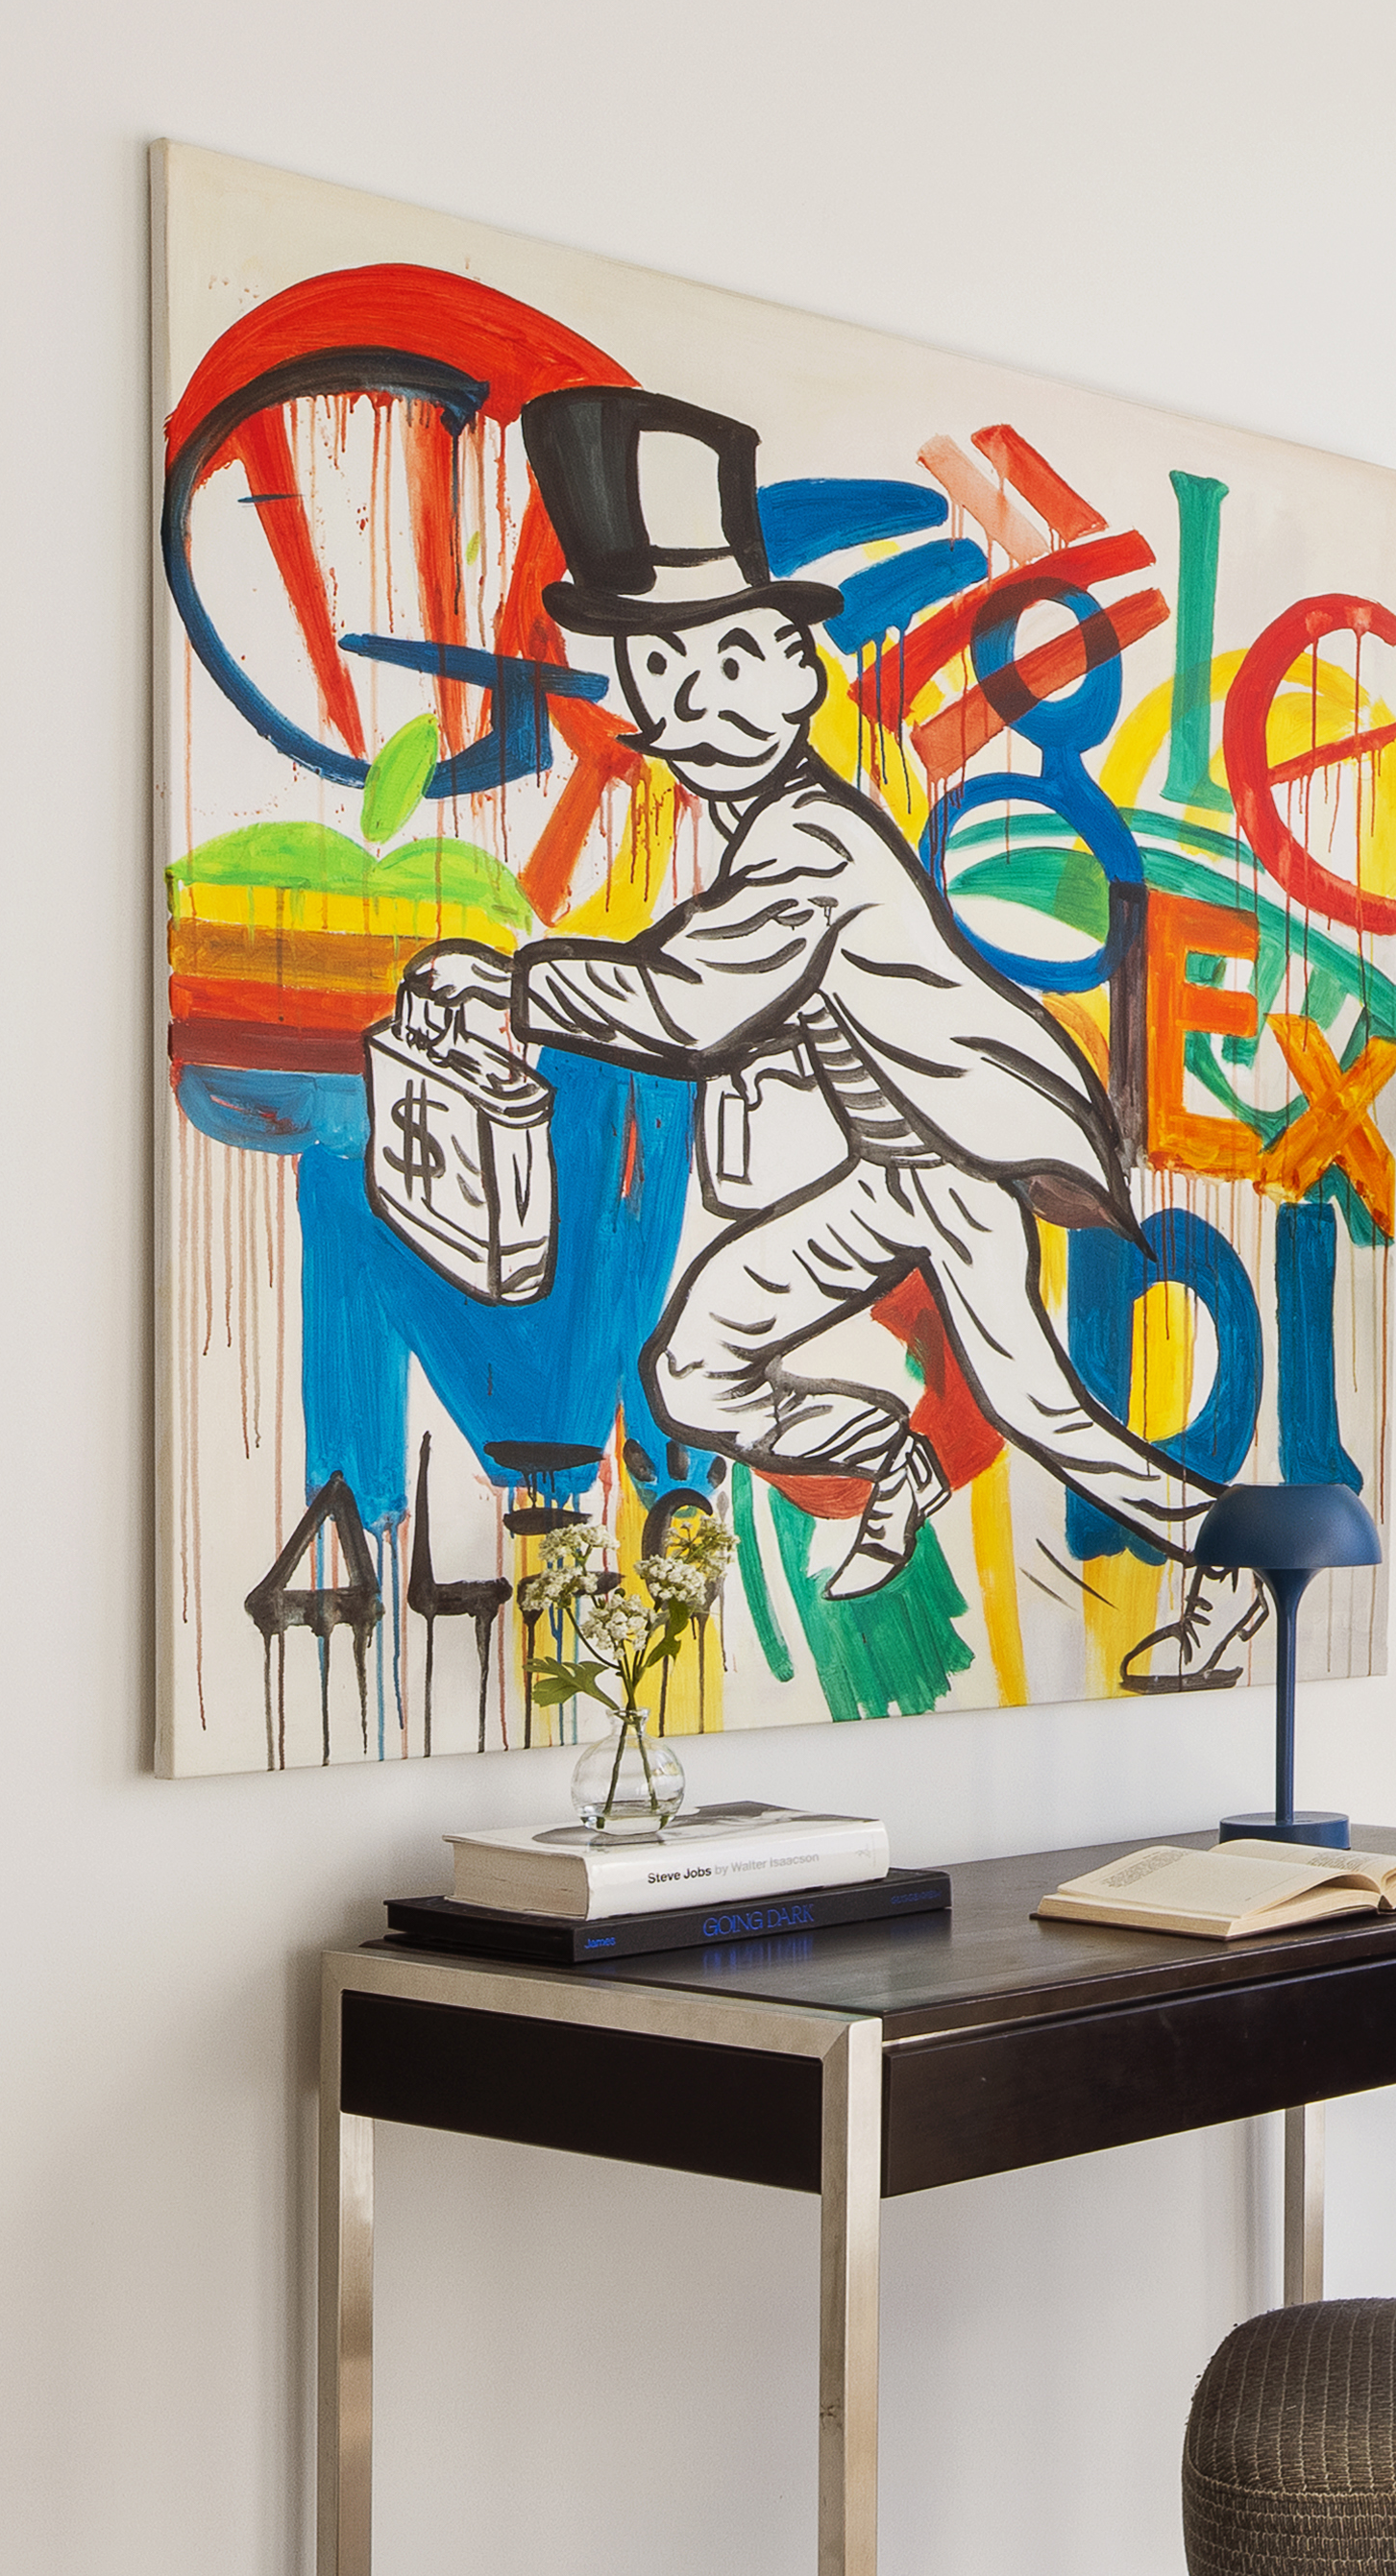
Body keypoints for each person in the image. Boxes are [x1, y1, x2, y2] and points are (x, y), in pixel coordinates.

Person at [375, 381, 1257, 1684]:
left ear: (797, 666)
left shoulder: (812, 838)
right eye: (665, 670)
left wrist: (511, 985)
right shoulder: (758, 834)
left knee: (1034, 1400)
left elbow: (689, 1000)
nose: (701, 700)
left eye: (731, 658)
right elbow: (724, 993)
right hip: (878, 1179)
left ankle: (1226, 1559)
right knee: (693, 1363)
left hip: (953, 1169)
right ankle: (882, 1455)